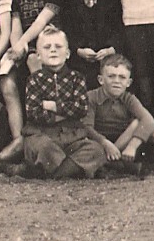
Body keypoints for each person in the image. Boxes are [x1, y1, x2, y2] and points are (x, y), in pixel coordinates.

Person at [19, 26, 104, 179]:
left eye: (58, 47)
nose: (53, 50)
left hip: (71, 136)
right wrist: (66, 112)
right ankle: (71, 170)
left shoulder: (76, 78)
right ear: (38, 55)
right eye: (47, 47)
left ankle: (52, 172)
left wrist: (53, 106)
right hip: (42, 134)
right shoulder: (34, 80)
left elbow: (81, 108)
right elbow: (34, 113)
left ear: (67, 53)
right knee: (44, 148)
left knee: (95, 150)